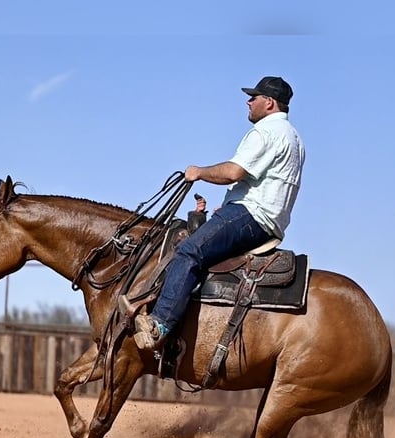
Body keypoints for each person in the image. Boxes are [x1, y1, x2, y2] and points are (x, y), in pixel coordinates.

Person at [124, 75, 306, 350]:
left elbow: (233, 171)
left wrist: (199, 172)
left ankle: (159, 324)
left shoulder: (266, 132)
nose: (248, 101)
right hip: (266, 220)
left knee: (189, 250)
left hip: (251, 215)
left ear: (269, 103)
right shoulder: (294, 138)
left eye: (254, 97)